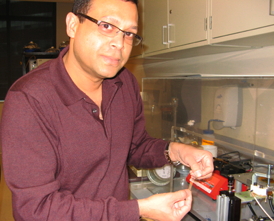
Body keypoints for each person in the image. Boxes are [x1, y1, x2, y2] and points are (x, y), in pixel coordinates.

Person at [0, 0, 214, 220]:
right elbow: (36, 210)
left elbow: (134, 146)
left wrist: (177, 151)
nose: (119, 43)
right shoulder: (29, 100)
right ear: (73, 25)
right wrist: (138, 209)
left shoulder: (124, 82)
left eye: (129, 34)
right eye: (106, 26)